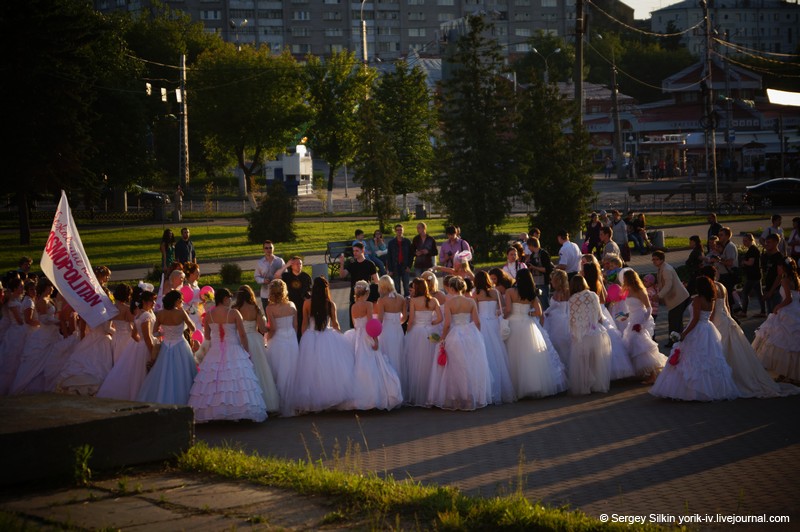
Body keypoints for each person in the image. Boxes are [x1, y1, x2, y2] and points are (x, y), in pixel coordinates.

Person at [701, 266, 799, 398]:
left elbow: (712, 309)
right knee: (731, 347)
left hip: (718, 319)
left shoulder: (712, 288)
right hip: (726, 318)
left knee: (719, 345)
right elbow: (727, 306)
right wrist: (730, 318)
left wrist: (709, 322)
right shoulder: (722, 286)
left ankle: (719, 375)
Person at [649, 276, 740, 401]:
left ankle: (690, 390)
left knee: (691, 359)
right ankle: (711, 389)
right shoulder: (711, 299)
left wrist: (684, 333)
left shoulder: (698, 299)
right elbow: (710, 317)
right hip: (708, 328)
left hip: (698, 329)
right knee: (708, 359)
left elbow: (695, 319)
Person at [189, 288, 267, 423]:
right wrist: (247, 352)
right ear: (224, 298)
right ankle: (237, 411)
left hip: (215, 351)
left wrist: (204, 354)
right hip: (234, 349)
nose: (231, 300)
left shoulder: (209, 315)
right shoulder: (234, 313)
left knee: (214, 382)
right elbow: (242, 335)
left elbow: (207, 338)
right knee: (236, 382)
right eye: (229, 298)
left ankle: (215, 412)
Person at [288, 277, 355, 415]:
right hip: (327, 336)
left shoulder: (307, 303)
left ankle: (314, 400)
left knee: (311, 371)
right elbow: (335, 324)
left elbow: (304, 323)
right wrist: (341, 336)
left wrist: (304, 338)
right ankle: (330, 398)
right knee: (329, 369)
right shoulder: (330, 304)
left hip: (311, 336)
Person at [427, 276, 491, 410]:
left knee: (455, 367)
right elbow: (477, 322)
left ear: (451, 288)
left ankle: (456, 399)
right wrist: (477, 335)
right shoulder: (471, 302)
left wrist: (443, 338)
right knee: (470, 366)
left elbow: (448, 324)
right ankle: (469, 398)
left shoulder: (449, 303)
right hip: (470, 334)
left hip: (455, 335)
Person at [504, 269, 567, 399]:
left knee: (514, 355)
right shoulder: (532, 294)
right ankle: (533, 385)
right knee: (529, 356)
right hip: (528, 325)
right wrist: (528, 314)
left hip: (514, 324)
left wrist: (502, 317)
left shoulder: (510, 292)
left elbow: (509, 310)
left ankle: (517, 387)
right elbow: (539, 312)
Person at [343, 280, 403, 410]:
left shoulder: (353, 306)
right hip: (367, 335)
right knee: (373, 362)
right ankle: (374, 396)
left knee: (358, 363)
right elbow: (371, 324)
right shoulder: (369, 304)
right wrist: (375, 340)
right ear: (368, 292)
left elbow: (355, 324)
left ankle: (359, 395)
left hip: (357, 335)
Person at [136, 289, 198, 405]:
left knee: (163, 373)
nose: (182, 303)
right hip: (180, 345)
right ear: (177, 301)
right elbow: (193, 328)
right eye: (181, 300)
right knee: (183, 373)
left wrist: (164, 333)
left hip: (166, 346)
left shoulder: (160, 314)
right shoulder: (181, 313)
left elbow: (154, 333)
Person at [96, 289, 156, 401]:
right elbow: (147, 337)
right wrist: (151, 350)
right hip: (145, 345)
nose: (154, 303)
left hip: (127, 340)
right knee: (143, 372)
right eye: (152, 301)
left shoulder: (138, 315)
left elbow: (134, 335)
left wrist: (139, 344)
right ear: (144, 301)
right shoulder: (146, 315)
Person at [233, 285, 280, 414]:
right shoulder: (255, 308)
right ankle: (266, 402)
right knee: (261, 370)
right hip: (255, 340)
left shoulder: (235, 309)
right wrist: (272, 327)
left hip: (240, 340)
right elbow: (263, 329)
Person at [753, 257, 800, 384]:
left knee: (782, 342)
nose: (777, 269)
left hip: (788, 310)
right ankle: (789, 373)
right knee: (791, 343)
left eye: (779, 267)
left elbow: (789, 299)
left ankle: (786, 373)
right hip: (796, 309)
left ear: (784, 268)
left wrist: (778, 306)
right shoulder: (795, 279)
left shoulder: (785, 280)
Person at [472, 270, 515, 404]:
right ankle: (501, 388)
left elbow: (474, 311)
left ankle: (488, 388)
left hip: (483, 324)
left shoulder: (476, 294)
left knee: (485, 353)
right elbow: (502, 307)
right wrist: (496, 312)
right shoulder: (495, 292)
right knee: (498, 353)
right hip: (494, 323)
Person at [567, 275, 612, 395]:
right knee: (596, 361)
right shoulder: (593, 295)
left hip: (580, 335)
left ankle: (585, 387)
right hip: (595, 332)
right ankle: (597, 385)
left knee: (583, 363)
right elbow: (599, 315)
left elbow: (570, 319)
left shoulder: (571, 300)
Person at [621, 270, 666, 384]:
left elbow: (649, 308)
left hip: (640, 318)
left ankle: (653, 375)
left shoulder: (640, 291)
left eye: (625, 279)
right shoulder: (627, 290)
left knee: (642, 345)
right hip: (632, 318)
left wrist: (641, 324)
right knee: (631, 344)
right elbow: (629, 309)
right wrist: (620, 317)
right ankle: (641, 372)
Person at [262, 279, 299, 416]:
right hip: (291, 340)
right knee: (292, 371)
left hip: (278, 341)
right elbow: (295, 325)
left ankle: (280, 404)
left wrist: (266, 338)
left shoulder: (270, 308)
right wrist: (292, 337)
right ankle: (294, 404)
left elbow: (274, 328)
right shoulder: (292, 305)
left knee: (278, 372)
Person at [403, 277, 443, 405]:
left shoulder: (414, 301)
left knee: (416, 362)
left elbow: (411, 319)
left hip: (417, 332)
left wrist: (407, 331)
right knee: (430, 361)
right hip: (430, 332)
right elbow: (440, 318)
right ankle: (430, 393)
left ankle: (417, 393)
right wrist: (431, 323)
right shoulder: (434, 300)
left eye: (414, 286)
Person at [652, 250, 691, 347]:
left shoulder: (666, 269)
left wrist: (659, 295)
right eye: (653, 259)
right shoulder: (662, 268)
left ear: (662, 259)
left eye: (656, 259)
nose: (654, 261)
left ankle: (673, 341)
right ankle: (678, 340)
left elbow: (668, 285)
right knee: (676, 321)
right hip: (676, 298)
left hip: (679, 298)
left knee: (674, 321)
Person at [340, 242, 380, 327]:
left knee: (367, 319)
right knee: (354, 321)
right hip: (355, 294)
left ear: (363, 251)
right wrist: (342, 263)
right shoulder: (352, 264)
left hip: (366, 294)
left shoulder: (370, 264)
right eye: (353, 251)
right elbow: (342, 275)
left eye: (357, 251)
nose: (354, 253)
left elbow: (377, 280)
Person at [374, 275, 405, 376]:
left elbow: (380, 319)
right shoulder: (401, 298)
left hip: (387, 332)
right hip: (398, 331)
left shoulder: (382, 300)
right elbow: (405, 317)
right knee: (399, 356)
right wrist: (397, 322)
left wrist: (374, 333)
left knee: (388, 356)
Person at [275, 256, 311, 341]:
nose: (299, 265)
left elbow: (309, 291)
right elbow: (276, 276)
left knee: (303, 326)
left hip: (302, 306)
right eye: (297, 263)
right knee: (292, 327)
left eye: (300, 263)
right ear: (292, 265)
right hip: (289, 306)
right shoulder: (286, 276)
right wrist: (286, 266)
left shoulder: (306, 277)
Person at [544, 270, 572, 368]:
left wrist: (545, 312)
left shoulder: (557, 294)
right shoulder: (569, 291)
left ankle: (562, 365)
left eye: (552, 280)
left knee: (557, 343)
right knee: (567, 344)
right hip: (567, 318)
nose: (551, 282)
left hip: (557, 320)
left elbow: (553, 307)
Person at [738, 234, 765, 318]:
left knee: (745, 292)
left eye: (746, 240)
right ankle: (763, 311)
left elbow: (751, 262)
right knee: (759, 294)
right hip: (755, 274)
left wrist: (743, 262)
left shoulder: (752, 250)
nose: (744, 242)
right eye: (743, 240)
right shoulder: (752, 249)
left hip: (753, 276)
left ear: (751, 240)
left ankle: (744, 311)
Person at [715, 227, 741, 314]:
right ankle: (731, 316)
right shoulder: (725, 246)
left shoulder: (730, 247)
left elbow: (730, 262)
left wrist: (719, 260)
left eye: (721, 235)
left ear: (727, 236)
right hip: (724, 275)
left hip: (728, 275)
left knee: (728, 297)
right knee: (727, 296)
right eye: (719, 235)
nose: (719, 237)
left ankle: (732, 317)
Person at [254, 240, 285, 311]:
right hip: (265, 294)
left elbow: (285, 274)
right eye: (266, 248)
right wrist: (263, 280)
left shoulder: (280, 261)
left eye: (270, 248)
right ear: (263, 250)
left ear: (273, 248)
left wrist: (281, 277)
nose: (269, 250)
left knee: (279, 315)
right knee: (269, 317)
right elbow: (256, 276)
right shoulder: (260, 263)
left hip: (279, 293)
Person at [524, 237, 553, 310]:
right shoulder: (532, 255)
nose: (528, 248)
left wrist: (534, 267)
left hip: (543, 282)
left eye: (528, 246)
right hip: (535, 282)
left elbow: (547, 269)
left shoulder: (543, 254)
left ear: (531, 245)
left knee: (544, 303)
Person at [761, 233, 785, 313]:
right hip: (768, 289)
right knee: (770, 316)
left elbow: (779, 276)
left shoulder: (779, 257)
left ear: (775, 243)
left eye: (769, 242)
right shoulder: (767, 256)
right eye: (766, 242)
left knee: (776, 315)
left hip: (776, 291)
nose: (766, 244)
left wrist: (771, 291)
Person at [386, 224, 412, 296]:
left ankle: (407, 303)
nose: (399, 231)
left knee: (407, 286)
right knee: (396, 287)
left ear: (403, 230)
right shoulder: (391, 243)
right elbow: (389, 256)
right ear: (395, 231)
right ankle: (398, 303)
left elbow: (411, 255)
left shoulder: (407, 242)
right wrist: (390, 269)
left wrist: (409, 266)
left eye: (400, 230)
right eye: (397, 230)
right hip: (395, 266)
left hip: (405, 266)